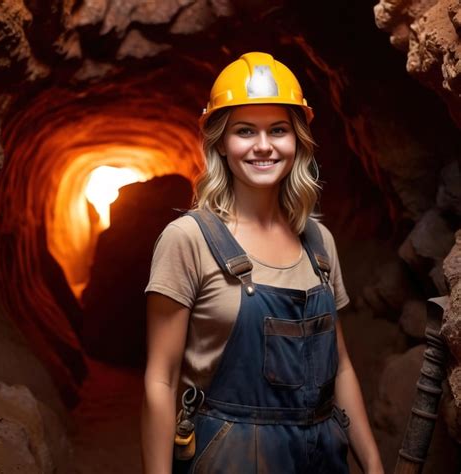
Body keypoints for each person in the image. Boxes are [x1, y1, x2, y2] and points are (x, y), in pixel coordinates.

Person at [141, 52, 384, 474]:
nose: (264, 145)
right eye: (244, 131)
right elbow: (160, 380)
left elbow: (340, 367)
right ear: (220, 141)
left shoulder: (319, 243)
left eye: (278, 130)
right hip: (229, 459)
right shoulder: (188, 240)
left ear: (298, 140)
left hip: (322, 458)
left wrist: (374, 466)